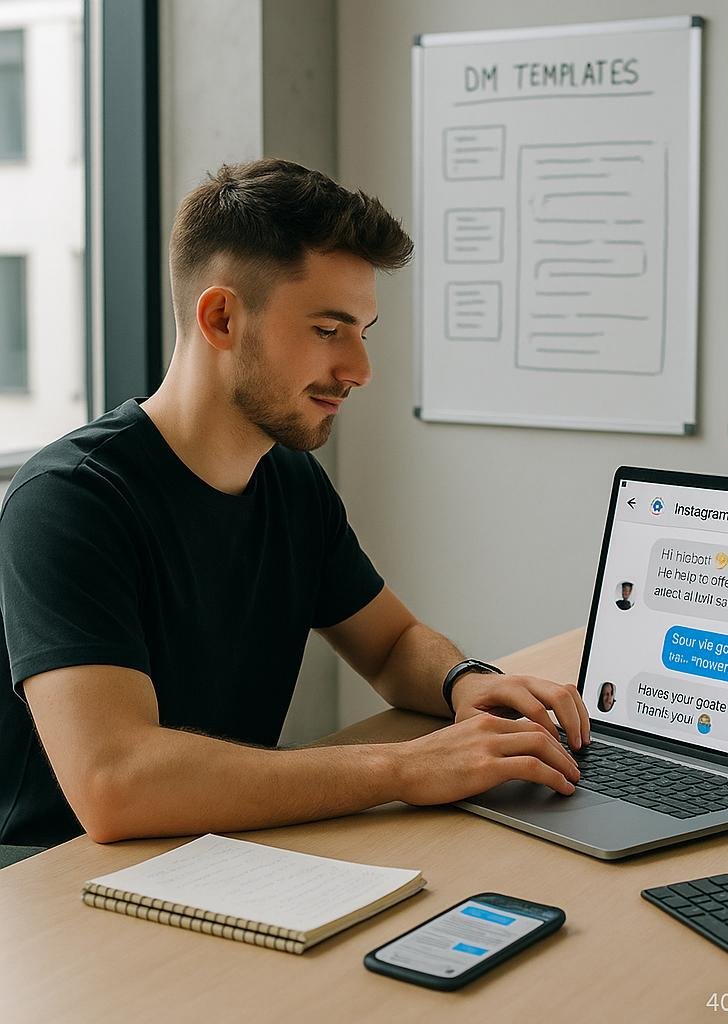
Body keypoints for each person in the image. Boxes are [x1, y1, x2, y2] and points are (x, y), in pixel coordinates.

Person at [0, 159, 589, 849]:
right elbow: (115, 782)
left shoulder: (289, 481)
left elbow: (394, 645)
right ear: (221, 317)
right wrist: (400, 768)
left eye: (363, 333)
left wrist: (462, 682)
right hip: (55, 887)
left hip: (215, 853)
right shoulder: (68, 503)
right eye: (327, 330)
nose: (360, 371)